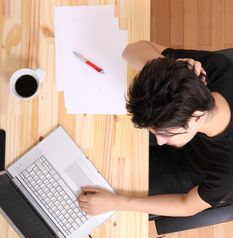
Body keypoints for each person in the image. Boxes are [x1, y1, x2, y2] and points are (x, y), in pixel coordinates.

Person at [78, 41, 233, 218]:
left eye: (164, 134)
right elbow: (130, 50)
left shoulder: (228, 174)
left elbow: (187, 205)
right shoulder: (216, 69)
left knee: (107, 184)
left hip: (189, 169)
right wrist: (173, 70)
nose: (159, 140)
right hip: (177, 128)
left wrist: (119, 202)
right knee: (99, 139)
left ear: (196, 116)